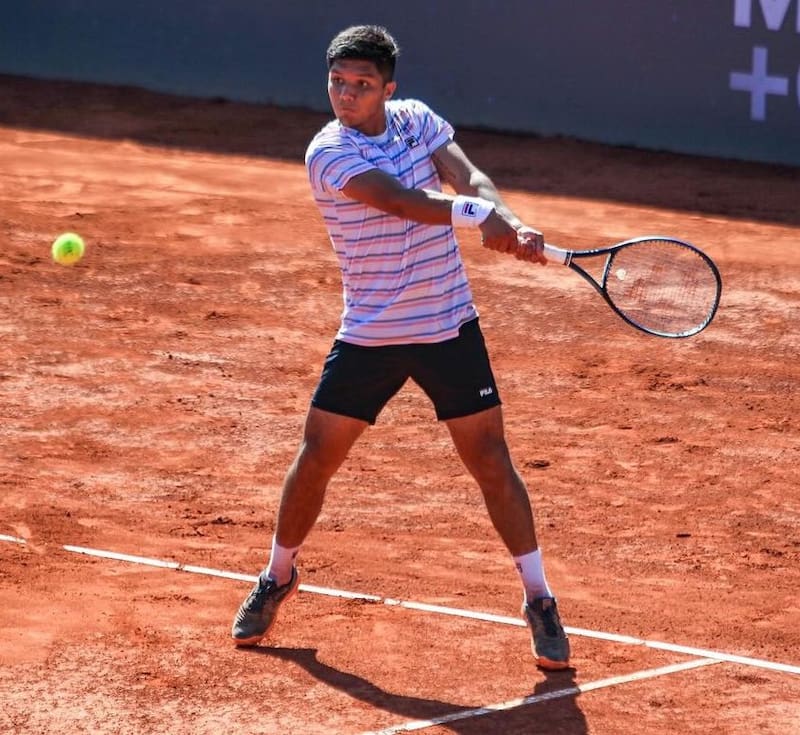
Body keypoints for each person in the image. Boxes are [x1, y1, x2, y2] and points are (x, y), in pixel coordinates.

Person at [231, 24, 570, 671]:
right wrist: (480, 218)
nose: (346, 94)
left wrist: (508, 218)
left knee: (490, 458)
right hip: (372, 333)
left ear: (388, 88)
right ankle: (278, 574)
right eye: (337, 82)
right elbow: (402, 202)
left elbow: (468, 176)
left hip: (448, 325)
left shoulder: (416, 121)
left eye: (361, 84)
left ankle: (540, 598)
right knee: (318, 455)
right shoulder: (328, 152)